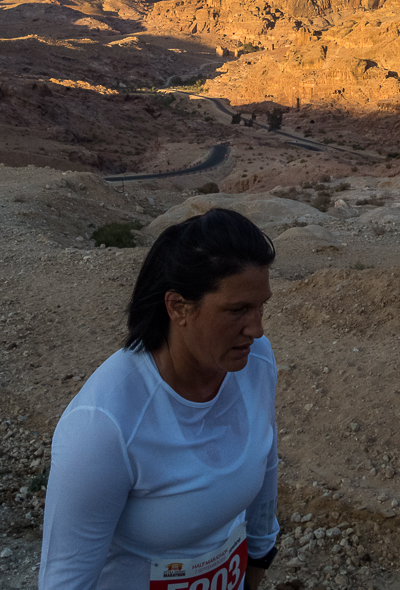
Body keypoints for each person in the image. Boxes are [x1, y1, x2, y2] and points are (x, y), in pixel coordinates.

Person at [39, 208, 280, 590]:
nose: (257, 328)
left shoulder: (255, 362)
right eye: (237, 311)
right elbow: (65, 581)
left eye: (260, 306)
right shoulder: (103, 425)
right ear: (178, 307)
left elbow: (265, 459)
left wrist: (261, 553)